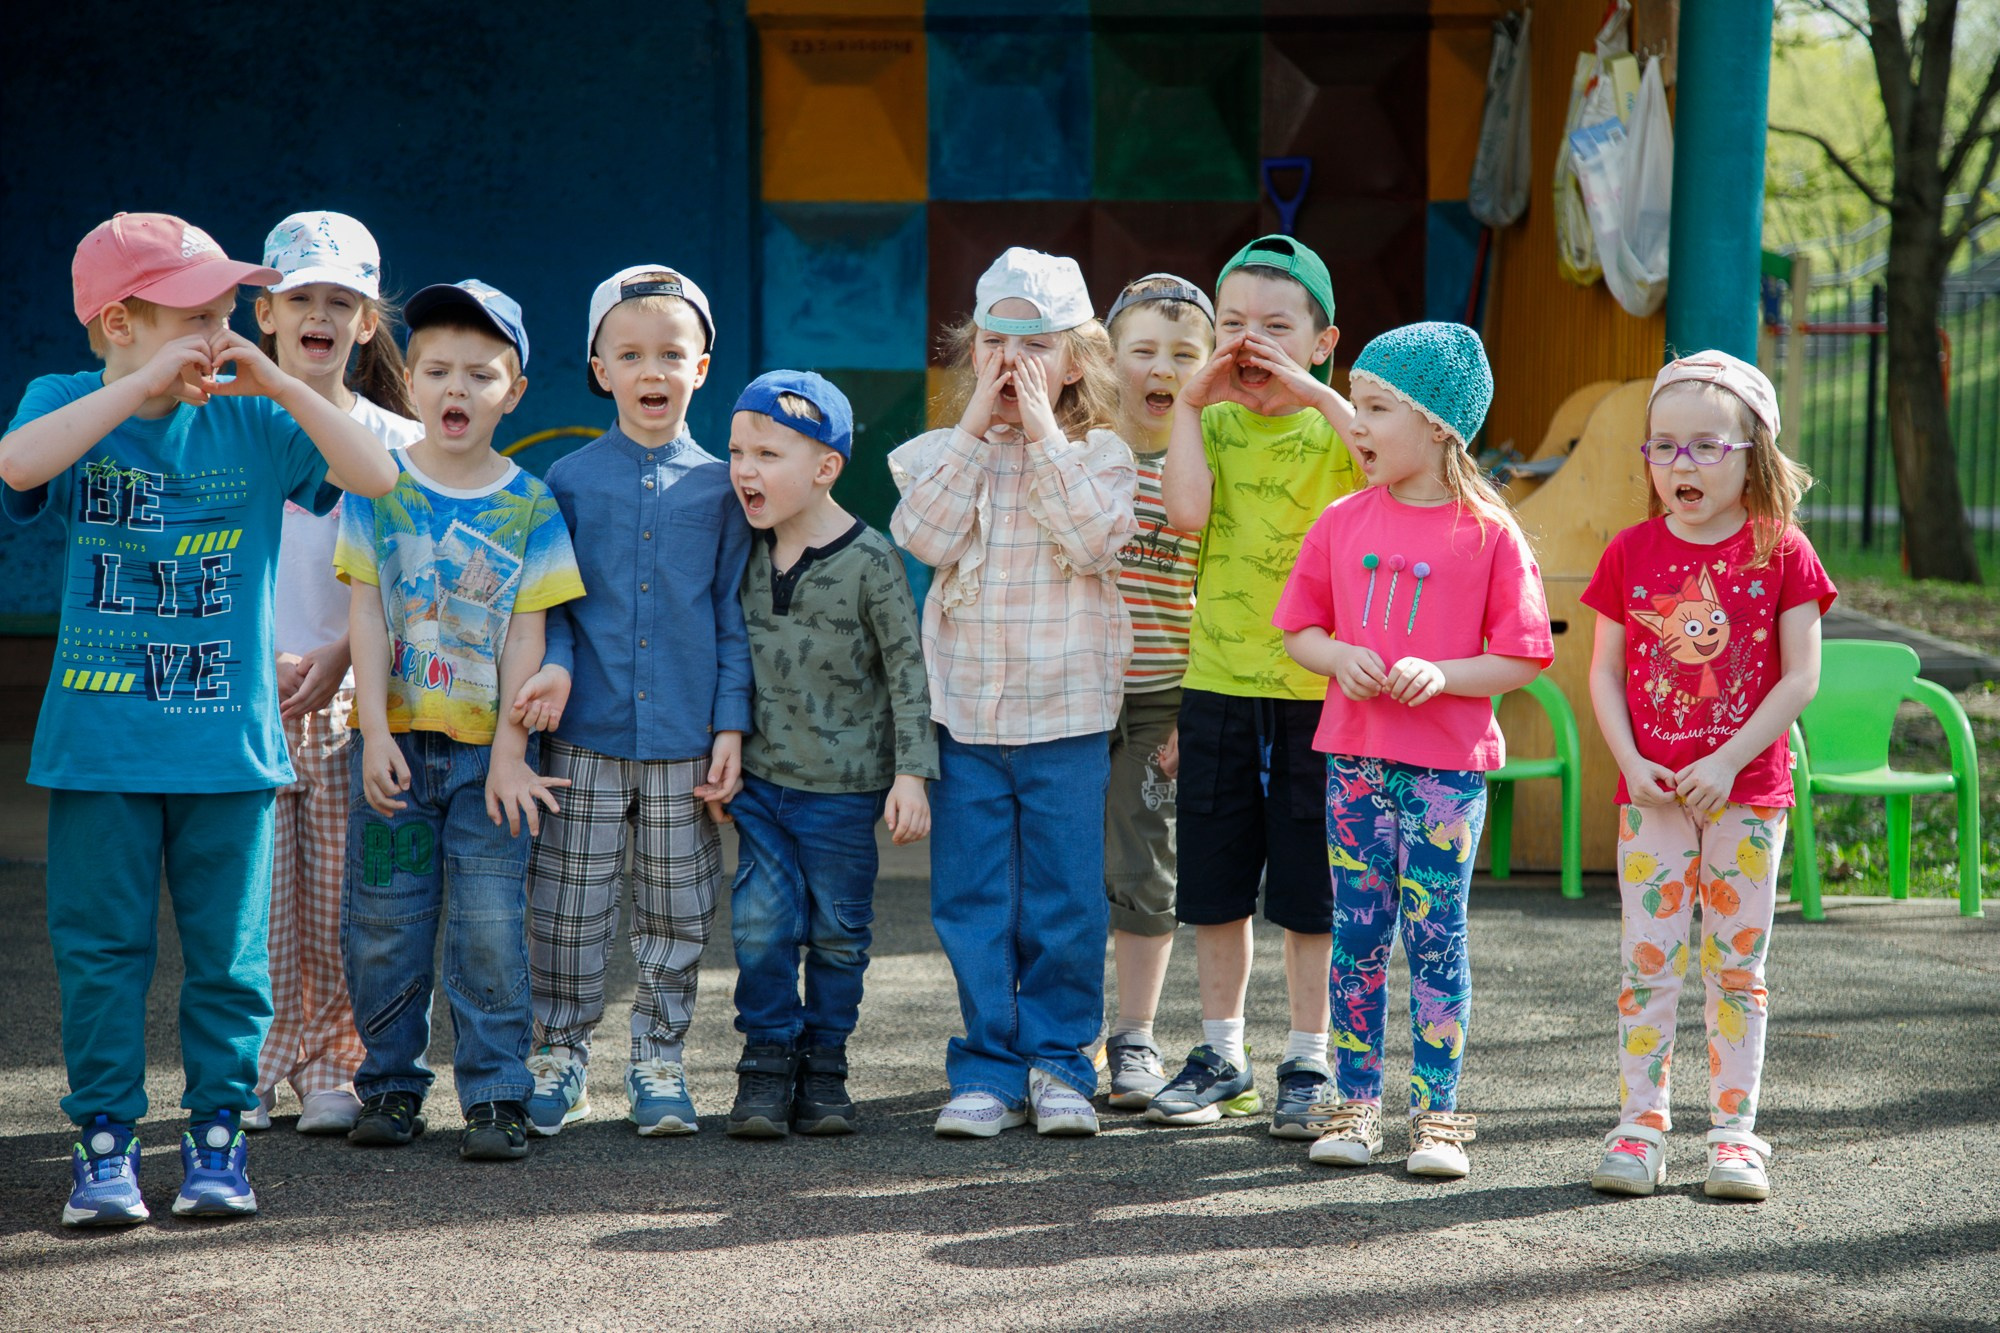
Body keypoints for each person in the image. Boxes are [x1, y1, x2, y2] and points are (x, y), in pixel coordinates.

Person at [0, 212, 397, 1226]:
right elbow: (18, 465)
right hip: (100, 748)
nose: (223, 333)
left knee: (229, 960)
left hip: (229, 747)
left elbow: (377, 476)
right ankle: (104, 1148)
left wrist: (282, 385)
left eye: (229, 312)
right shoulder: (71, 401)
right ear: (120, 319)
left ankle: (217, 1139)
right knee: (99, 953)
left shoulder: (258, 418)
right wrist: (134, 388)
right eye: (200, 314)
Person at [1272, 320, 1552, 1179]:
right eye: (1355, 404)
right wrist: (1337, 656)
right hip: (1354, 764)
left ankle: (1436, 1117)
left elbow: (1524, 653)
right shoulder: (1338, 521)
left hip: (1445, 775)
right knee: (1357, 936)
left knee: (1436, 939)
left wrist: (1448, 672)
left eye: (1376, 407)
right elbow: (1298, 631)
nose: (1355, 424)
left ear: (1438, 424)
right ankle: (1354, 1105)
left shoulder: (1492, 533)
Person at [890, 246, 1135, 1139]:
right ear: (972, 349)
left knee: (1066, 897)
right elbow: (921, 535)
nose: (1014, 363)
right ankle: (989, 1065)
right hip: (967, 721)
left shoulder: (1102, 456)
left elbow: (1099, 540)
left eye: (1037, 346)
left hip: (1066, 719)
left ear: (1077, 359)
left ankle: (1062, 1061)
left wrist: (1044, 436)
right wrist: (973, 433)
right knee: (971, 897)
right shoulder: (937, 455)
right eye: (997, 342)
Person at [335, 280, 583, 1162]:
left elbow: (529, 629)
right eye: (437, 369)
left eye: (482, 374)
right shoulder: (378, 487)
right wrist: (370, 733)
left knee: (487, 929)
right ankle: (391, 1086)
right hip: (395, 752)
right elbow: (365, 614)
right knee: (384, 927)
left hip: (489, 765)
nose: (456, 388)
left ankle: (495, 1094)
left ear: (512, 393)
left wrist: (514, 751)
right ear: (413, 384)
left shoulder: (531, 506)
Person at [1582, 351, 1831, 1202]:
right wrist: (1630, 761)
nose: (1679, 464)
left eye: (1702, 447)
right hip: (1650, 797)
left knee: (1737, 968)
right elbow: (1605, 675)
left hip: (1748, 796)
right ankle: (1640, 1127)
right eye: (1663, 447)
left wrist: (1725, 760)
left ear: (1751, 452)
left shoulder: (1784, 551)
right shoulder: (1628, 553)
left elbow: (1800, 676)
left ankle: (1733, 1137)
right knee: (1646, 965)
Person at [514, 267, 753, 1138]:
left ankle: (660, 1057)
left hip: (687, 742)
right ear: (599, 368)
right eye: (630, 353)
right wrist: (560, 670)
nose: (652, 369)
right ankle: (560, 1052)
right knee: (567, 908)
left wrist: (731, 725)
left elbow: (732, 614)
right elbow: (556, 607)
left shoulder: (726, 487)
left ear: (701, 365)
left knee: (677, 907)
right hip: (583, 738)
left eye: (671, 353)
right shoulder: (566, 481)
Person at [1154, 235, 1362, 1137]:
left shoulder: (1341, 421)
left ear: (1324, 341)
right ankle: (1220, 1050)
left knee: (1312, 887)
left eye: (1277, 326)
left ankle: (1310, 1055)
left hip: (1321, 692)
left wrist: (1314, 392)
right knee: (1214, 877)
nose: (1251, 341)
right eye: (1232, 324)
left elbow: (1385, 462)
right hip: (1219, 681)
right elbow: (1187, 512)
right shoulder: (1212, 420)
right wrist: (1192, 405)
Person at [720, 370, 937, 1137]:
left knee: (841, 931)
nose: (745, 469)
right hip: (762, 787)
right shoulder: (738, 551)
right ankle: (767, 1062)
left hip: (844, 793)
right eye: (737, 450)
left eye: (768, 453)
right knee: (758, 925)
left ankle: (826, 1063)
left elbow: (908, 671)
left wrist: (912, 774)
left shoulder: (872, 559)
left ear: (825, 468)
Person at [246, 211, 422, 1137]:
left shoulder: (396, 437)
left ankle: (334, 1063)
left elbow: (410, 578)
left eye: (340, 300)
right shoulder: (227, 422)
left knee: (347, 903)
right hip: (245, 696)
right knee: (255, 903)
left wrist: (343, 654)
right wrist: (256, 657)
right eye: (301, 296)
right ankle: (251, 1063)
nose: (319, 313)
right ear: (264, 312)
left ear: (365, 322)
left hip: (358, 700)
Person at [1091, 274, 1213, 1110]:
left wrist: (1197, 709)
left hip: (1166, 698)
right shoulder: (1082, 454)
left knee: (1146, 868)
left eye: (1184, 354)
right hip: (1070, 693)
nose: (1162, 367)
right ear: (1108, 360)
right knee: (1059, 869)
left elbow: (1235, 592)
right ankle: (1052, 1036)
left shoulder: (1211, 465)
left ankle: (1133, 1035)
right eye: (1143, 350)